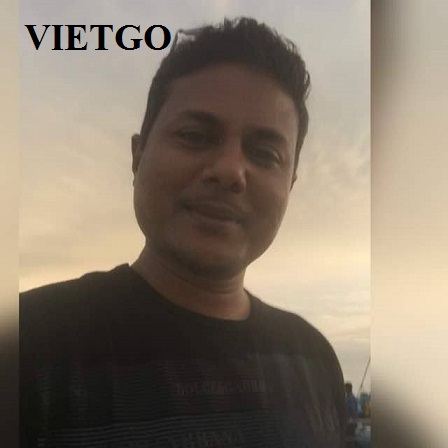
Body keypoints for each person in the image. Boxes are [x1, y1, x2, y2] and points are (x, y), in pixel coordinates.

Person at [20, 17, 346, 447]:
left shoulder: (313, 359)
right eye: (195, 136)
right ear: (137, 156)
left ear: (290, 185)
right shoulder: (30, 345)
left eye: (265, 153)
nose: (230, 171)